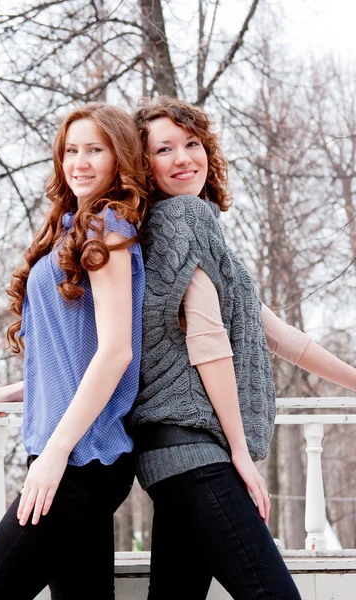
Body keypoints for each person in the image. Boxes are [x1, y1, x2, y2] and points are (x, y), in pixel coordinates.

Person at [128, 96, 356, 600]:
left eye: (192, 144)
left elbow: (281, 338)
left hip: (173, 457)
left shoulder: (189, 231)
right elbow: (207, 342)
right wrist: (240, 453)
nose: (184, 158)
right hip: (194, 453)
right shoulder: (179, 222)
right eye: (164, 149)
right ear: (143, 164)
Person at [0, 103, 146, 600]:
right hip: (66, 456)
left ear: (119, 158)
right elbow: (74, 356)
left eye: (94, 150)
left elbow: (115, 353)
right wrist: (15, 390)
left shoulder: (109, 228)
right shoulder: (70, 228)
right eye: (70, 150)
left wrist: (57, 453)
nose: (78, 161)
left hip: (82, 460)